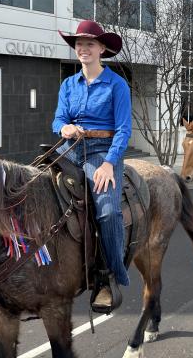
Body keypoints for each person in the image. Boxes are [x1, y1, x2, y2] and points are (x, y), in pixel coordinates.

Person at [52, 19, 132, 311]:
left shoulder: (117, 85)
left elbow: (124, 129)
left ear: (101, 49)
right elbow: (57, 119)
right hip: (70, 149)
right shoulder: (67, 84)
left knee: (109, 212)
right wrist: (64, 129)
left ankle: (108, 275)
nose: (83, 48)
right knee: (33, 186)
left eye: (89, 44)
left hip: (102, 151)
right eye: (79, 44)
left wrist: (110, 163)